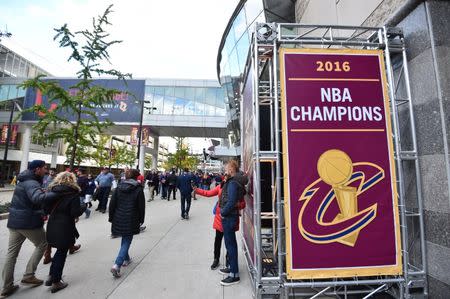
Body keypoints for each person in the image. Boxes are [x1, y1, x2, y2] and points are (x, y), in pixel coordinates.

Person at [1, 160, 57, 297]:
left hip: (15, 221)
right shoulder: (32, 182)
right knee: (43, 243)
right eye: (44, 168)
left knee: (11, 254)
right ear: (37, 169)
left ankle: (6, 287)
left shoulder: (25, 180)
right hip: (28, 222)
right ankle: (28, 275)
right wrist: (57, 193)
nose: (46, 171)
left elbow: (30, 197)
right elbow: (38, 198)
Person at [194, 174, 246, 270]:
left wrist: (235, 204)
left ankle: (228, 260)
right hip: (219, 218)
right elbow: (208, 193)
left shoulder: (237, 188)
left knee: (229, 242)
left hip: (230, 218)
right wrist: (197, 190)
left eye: (228, 177)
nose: (226, 179)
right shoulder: (220, 187)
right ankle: (216, 259)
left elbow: (243, 204)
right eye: (225, 177)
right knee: (218, 240)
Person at [44, 171, 85, 293]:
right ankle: (56, 281)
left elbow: (45, 208)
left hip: (52, 223)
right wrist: (83, 207)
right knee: (61, 253)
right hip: (65, 225)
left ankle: (51, 276)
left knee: (59, 252)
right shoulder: (73, 194)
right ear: (72, 180)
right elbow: (75, 212)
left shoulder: (52, 191)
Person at [109, 169, 145, 278]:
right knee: (127, 240)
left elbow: (112, 204)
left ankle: (126, 259)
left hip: (119, 217)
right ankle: (117, 264)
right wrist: (141, 219)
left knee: (125, 238)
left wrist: (111, 217)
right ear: (136, 177)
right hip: (131, 218)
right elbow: (141, 206)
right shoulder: (138, 189)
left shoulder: (118, 187)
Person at [218, 160, 247, 286]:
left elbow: (231, 202)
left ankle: (234, 275)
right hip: (230, 216)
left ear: (231, 169)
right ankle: (231, 268)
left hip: (229, 217)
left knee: (231, 246)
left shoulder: (233, 183)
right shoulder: (232, 181)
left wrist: (223, 213)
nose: (225, 170)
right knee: (230, 245)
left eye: (226, 168)